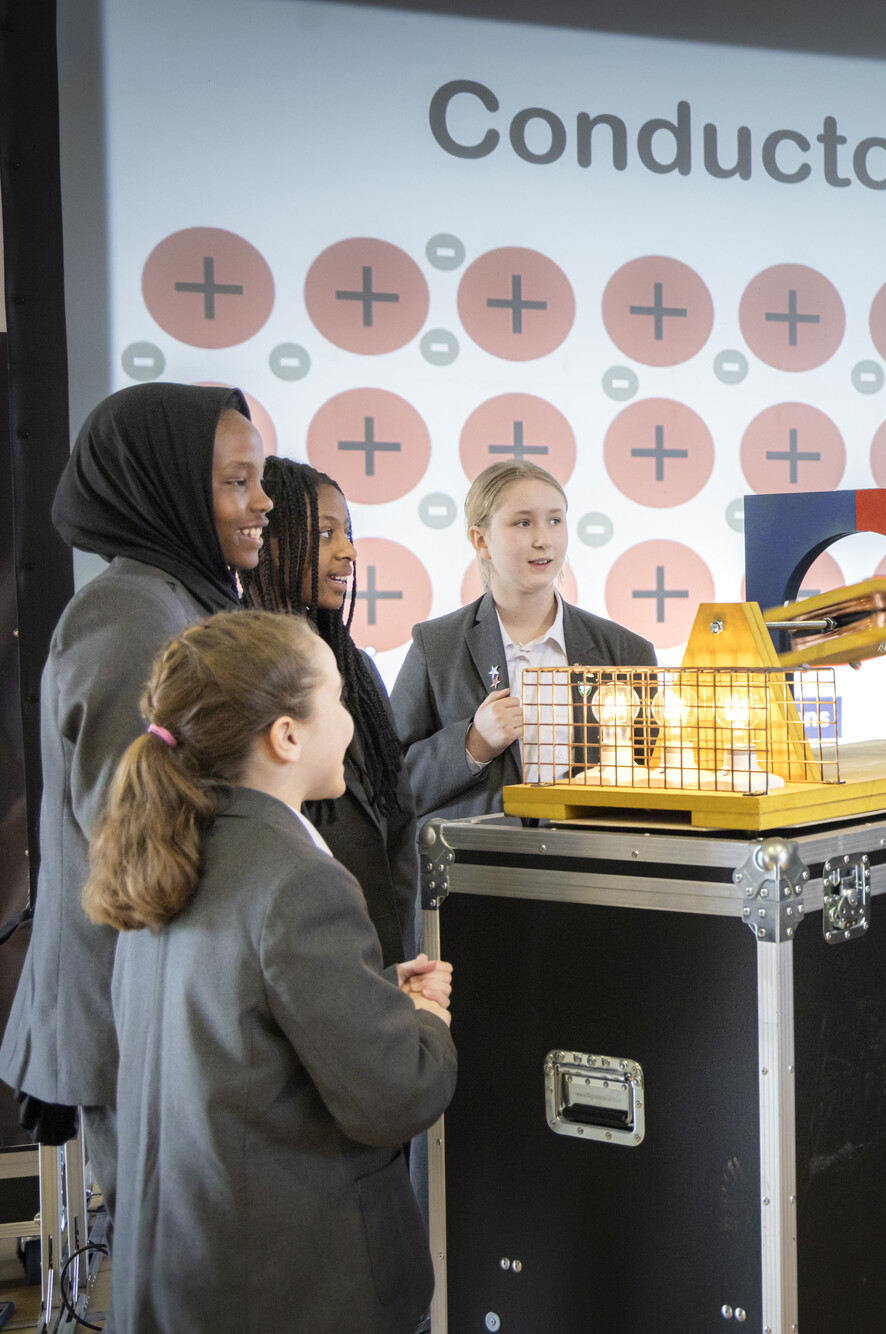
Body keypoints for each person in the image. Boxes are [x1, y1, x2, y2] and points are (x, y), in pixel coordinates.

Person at [86, 610, 456, 1334]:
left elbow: (244, 1029)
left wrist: (375, 997)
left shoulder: (171, 853)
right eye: (339, 701)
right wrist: (423, 1021)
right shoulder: (300, 883)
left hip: (179, 1277)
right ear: (286, 736)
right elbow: (394, 1096)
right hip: (288, 1291)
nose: (352, 723)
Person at [0, 382, 271, 1221]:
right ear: (165, 488)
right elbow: (142, 844)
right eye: (236, 482)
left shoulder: (183, 599)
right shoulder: (129, 615)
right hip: (141, 1021)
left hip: (164, 1014)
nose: (263, 501)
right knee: (172, 1272)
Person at [391, 461, 656, 826]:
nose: (543, 539)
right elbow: (390, 786)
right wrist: (472, 745)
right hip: (478, 871)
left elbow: (659, 778)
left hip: (594, 868)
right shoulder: (435, 645)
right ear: (480, 540)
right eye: (523, 522)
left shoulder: (626, 652)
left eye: (555, 520)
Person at [245, 457, 422, 969]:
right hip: (293, 956)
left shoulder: (357, 669)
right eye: (324, 534)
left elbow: (399, 813)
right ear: (269, 538)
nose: (348, 552)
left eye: (347, 532)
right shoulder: (238, 672)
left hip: (378, 949)